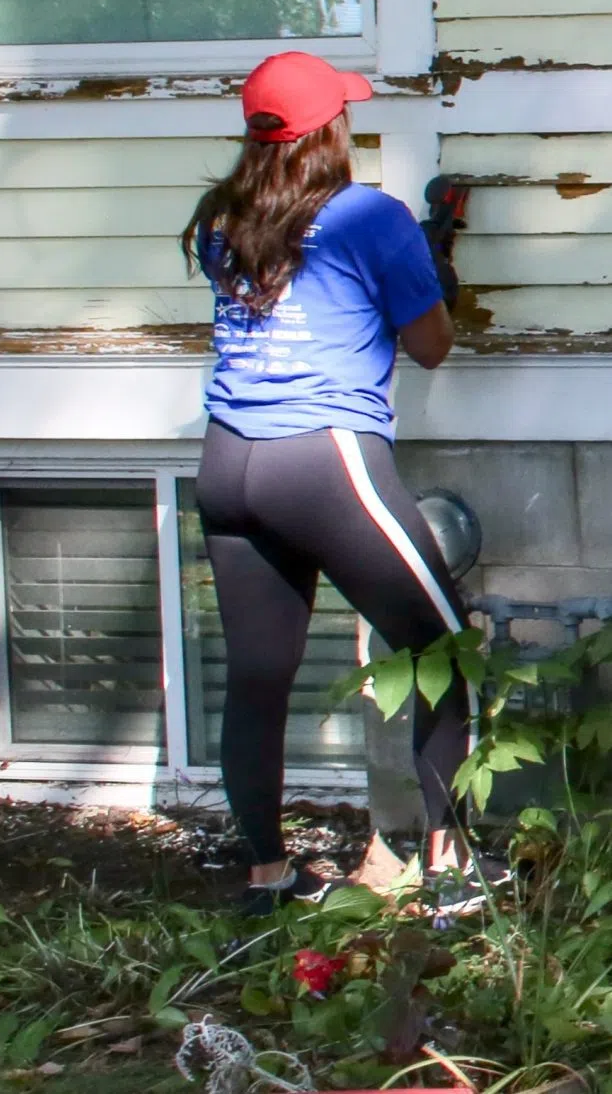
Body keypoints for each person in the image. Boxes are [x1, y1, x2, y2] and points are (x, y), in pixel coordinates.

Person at [183, 52, 475, 913]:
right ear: (326, 130)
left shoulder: (219, 220)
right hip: (322, 458)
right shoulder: (369, 218)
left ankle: (268, 877)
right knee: (442, 650)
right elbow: (430, 344)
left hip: (228, 462)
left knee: (258, 675)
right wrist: (429, 270)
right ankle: (451, 868)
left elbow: (301, 287)